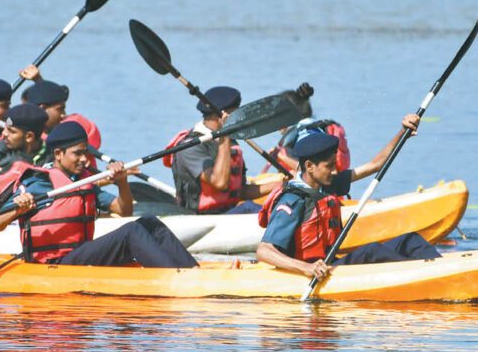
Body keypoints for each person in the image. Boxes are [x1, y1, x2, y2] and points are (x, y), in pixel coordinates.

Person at [0, 121, 198, 268]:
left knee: (149, 223)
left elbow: (123, 211)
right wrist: (18, 208)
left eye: (85, 153)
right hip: (55, 263)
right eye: (77, 153)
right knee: (131, 231)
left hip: (81, 255)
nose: (85, 160)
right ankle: (174, 275)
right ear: (59, 154)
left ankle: (191, 270)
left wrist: (122, 182)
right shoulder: (37, 182)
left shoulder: (83, 182)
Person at [256, 116, 440, 280]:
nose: (335, 171)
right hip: (311, 273)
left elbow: (375, 165)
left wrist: (403, 132)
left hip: (330, 264)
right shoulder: (292, 201)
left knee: (409, 240)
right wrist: (307, 268)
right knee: (371, 251)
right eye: (329, 166)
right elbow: (264, 251)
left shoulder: (325, 182)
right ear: (310, 166)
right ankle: (425, 277)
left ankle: (441, 269)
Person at [166, 85, 283, 214]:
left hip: (229, 212)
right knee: (249, 208)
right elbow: (220, 182)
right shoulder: (191, 146)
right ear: (223, 115)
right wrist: (225, 135)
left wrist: (280, 185)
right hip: (200, 217)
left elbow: (241, 191)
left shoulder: (230, 143)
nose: (241, 118)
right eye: (237, 113)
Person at [268, 83, 351, 174]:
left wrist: (281, 157)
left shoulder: (306, 134)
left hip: (320, 187)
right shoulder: (311, 130)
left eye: (278, 117)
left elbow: (316, 171)